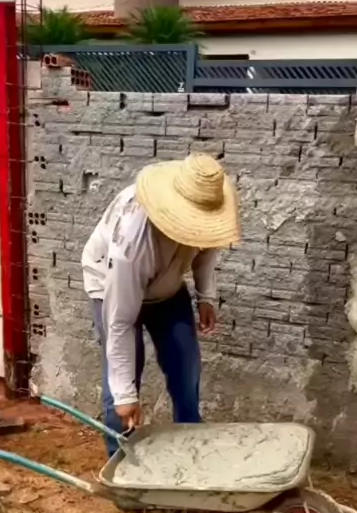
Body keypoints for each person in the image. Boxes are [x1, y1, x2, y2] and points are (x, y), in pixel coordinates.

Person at [81, 153, 240, 457]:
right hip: (110, 285)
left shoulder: (206, 208)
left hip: (167, 286)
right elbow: (119, 322)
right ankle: (121, 462)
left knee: (186, 367)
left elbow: (207, 250)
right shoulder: (132, 243)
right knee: (123, 379)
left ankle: (189, 452)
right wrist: (126, 396)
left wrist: (206, 296)